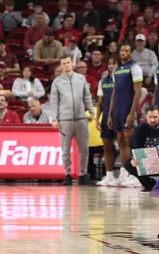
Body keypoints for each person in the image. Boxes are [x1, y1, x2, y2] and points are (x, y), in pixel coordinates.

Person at [50, 56, 95, 186]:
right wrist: (54, 119)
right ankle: (67, 174)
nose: (66, 65)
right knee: (65, 149)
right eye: (63, 63)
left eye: (68, 62)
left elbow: (87, 96)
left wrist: (91, 111)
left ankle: (83, 174)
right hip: (65, 119)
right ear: (61, 65)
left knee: (84, 149)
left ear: (72, 63)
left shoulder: (81, 79)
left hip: (81, 118)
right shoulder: (57, 82)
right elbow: (54, 102)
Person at [108, 43, 144, 187]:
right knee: (121, 141)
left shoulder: (135, 68)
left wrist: (132, 112)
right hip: (117, 110)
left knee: (131, 142)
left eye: (126, 51)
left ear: (131, 53)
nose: (123, 52)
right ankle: (123, 173)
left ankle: (135, 174)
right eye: (121, 50)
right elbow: (114, 93)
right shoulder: (116, 70)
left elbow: (138, 92)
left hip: (128, 109)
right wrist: (110, 114)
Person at [124, 107, 159, 193]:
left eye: (155, 117)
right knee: (128, 164)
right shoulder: (140, 129)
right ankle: (148, 184)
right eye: (150, 117)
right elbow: (134, 147)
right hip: (146, 162)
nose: (152, 120)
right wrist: (134, 158)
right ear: (146, 117)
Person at [96, 57, 119, 186]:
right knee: (107, 146)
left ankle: (125, 174)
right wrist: (97, 119)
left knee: (123, 145)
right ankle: (109, 175)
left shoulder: (123, 80)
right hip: (105, 116)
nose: (111, 66)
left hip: (119, 115)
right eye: (109, 64)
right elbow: (100, 103)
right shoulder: (103, 81)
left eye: (114, 63)